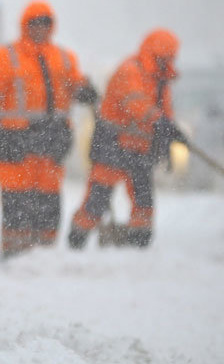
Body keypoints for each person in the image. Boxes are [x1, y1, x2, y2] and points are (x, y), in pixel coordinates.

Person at [0, 0, 97, 257]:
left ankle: (45, 253)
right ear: (25, 25)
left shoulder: (64, 57)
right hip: (15, 140)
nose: (40, 28)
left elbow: (74, 85)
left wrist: (85, 91)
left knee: (48, 200)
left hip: (52, 140)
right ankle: (15, 253)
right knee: (16, 200)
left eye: (45, 23)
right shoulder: (4, 57)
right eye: (35, 23)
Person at [68, 29, 185, 249]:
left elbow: (163, 110)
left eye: (169, 58)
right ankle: (78, 237)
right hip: (113, 141)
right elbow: (136, 104)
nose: (166, 63)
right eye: (162, 58)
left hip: (141, 146)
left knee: (143, 197)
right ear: (152, 54)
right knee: (99, 196)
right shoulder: (130, 71)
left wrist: (170, 132)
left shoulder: (160, 79)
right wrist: (159, 122)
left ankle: (140, 238)